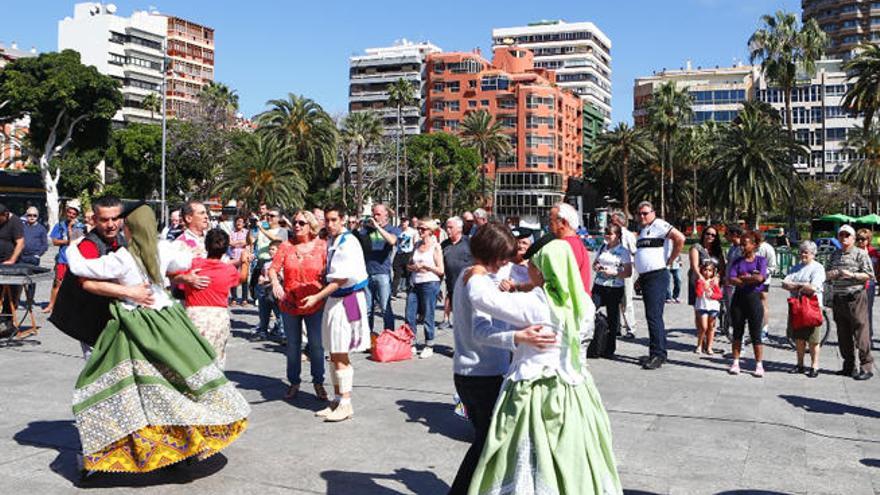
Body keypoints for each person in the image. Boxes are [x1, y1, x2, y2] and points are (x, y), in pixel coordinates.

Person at [64, 203, 250, 473]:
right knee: (174, 382)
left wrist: (73, 244)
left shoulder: (124, 258)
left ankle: (119, 451)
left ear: (128, 228)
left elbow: (82, 268)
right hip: (168, 322)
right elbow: (185, 259)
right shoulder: (163, 249)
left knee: (128, 387)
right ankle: (181, 443)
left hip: (135, 326)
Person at [466, 239, 621, 495]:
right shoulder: (584, 301)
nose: (529, 268)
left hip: (536, 391)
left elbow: (482, 299)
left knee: (527, 456)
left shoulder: (537, 303)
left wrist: (477, 272)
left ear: (544, 270)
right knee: (576, 452)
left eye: (534, 265)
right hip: (577, 390)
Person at [447, 223, 553, 494]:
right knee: (487, 443)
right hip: (480, 373)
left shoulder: (470, 276)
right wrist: (519, 337)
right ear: (493, 254)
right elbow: (482, 331)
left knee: (488, 441)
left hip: (474, 371)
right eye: (504, 256)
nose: (507, 261)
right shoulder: (477, 283)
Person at [300, 206, 370, 423]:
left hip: (347, 300)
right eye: (327, 220)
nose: (329, 224)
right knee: (333, 353)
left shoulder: (348, 243)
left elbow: (340, 280)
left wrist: (316, 297)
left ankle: (346, 403)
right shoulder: (333, 241)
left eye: (333, 220)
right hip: (335, 300)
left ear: (343, 220)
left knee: (341, 353)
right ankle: (338, 399)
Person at [269, 210, 328, 401]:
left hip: (316, 303)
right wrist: (276, 283)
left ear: (311, 225)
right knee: (293, 345)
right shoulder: (286, 246)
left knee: (317, 345)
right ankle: (294, 382)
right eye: (295, 222)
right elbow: (273, 269)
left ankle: (318, 382)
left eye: (301, 223)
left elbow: (332, 273)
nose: (296, 225)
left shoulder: (322, 247)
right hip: (290, 304)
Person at [183, 228, 250, 368]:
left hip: (194, 315)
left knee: (192, 359)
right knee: (215, 359)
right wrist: (245, 262)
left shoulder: (192, 265)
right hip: (218, 317)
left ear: (206, 246)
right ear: (225, 249)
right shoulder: (228, 270)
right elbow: (242, 278)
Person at [634, 201, 685, 370]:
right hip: (646, 276)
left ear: (653, 213)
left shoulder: (659, 225)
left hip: (657, 275)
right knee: (652, 316)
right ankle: (658, 351)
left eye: (645, 213)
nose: (642, 216)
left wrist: (671, 259)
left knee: (654, 316)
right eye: (640, 213)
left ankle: (658, 354)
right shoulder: (642, 231)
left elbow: (680, 238)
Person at [828, 224, 875, 380]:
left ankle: (866, 367)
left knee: (861, 333)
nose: (844, 238)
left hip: (855, 297)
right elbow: (826, 273)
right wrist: (832, 274)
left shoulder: (860, 254)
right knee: (843, 334)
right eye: (841, 235)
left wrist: (852, 275)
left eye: (847, 235)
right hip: (838, 298)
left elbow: (869, 275)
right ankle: (849, 366)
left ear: (853, 238)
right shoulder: (834, 254)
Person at [782, 240, 826, 378]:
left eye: (806, 252)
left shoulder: (818, 268)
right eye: (801, 252)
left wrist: (795, 285)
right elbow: (784, 283)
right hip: (797, 305)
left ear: (813, 254)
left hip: (812, 306)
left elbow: (813, 287)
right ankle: (800, 364)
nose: (803, 254)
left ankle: (814, 366)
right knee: (799, 337)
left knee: (813, 339)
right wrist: (802, 285)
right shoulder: (796, 267)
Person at [727, 231, 768, 377]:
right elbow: (731, 279)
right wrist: (750, 278)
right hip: (738, 299)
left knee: (756, 333)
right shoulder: (737, 261)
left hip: (754, 299)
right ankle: (736, 362)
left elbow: (760, 278)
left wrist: (743, 278)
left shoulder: (761, 260)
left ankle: (758, 365)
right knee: (737, 332)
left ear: (754, 245)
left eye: (745, 244)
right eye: (741, 244)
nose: (742, 247)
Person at [590, 224, 633, 358]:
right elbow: (594, 263)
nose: (607, 236)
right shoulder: (603, 247)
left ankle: (610, 348)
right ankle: (592, 343)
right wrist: (597, 266)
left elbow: (628, 272)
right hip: (599, 284)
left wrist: (613, 273)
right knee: (590, 311)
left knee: (613, 318)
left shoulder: (623, 251)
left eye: (610, 234)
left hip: (614, 287)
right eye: (606, 233)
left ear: (618, 236)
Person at [359, 203, 400, 338]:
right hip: (366, 273)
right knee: (367, 310)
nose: (375, 217)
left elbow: (393, 241)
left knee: (385, 308)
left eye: (378, 214)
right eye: (373, 214)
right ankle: (367, 337)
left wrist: (377, 227)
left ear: (386, 215)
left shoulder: (392, 229)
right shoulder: (367, 229)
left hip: (382, 273)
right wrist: (359, 227)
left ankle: (389, 336)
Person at [405, 219, 444, 358]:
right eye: (419, 229)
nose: (420, 231)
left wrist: (426, 267)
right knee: (410, 314)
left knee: (428, 314)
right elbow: (408, 265)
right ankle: (411, 342)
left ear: (430, 231)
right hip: (415, 282)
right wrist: (413, 267)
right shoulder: (416, 245)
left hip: (430, 283)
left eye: (423, 229)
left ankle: (429, 344)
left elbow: (440, 270)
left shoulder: (435, 246)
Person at [45, 199, 85, 313]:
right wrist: (67, 242)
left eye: (74, 213)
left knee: (75, 284)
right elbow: (54, 241)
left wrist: (69, 230)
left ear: (77, 215)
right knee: (57, 282)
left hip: (75, 260)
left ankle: (71, 307)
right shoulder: (60, 224)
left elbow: (76, 240)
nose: (71, 215)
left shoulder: (80, 226)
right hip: (62, 259)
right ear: (66, 212)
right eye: (69, 212)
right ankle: (51, 305)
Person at [549, 202, 592, 295]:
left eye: (551, 222)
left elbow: (559, 280)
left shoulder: (567, 246)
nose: (549, 226)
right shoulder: (574, 243)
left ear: (563, 223)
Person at [689, 227, 725, 337]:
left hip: (713, 285)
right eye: (708, 233)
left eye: (713, 235)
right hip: (698, 282)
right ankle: (701, 337)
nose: (710, 236)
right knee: (700, 311)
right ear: (703, 234)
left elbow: (722, 267)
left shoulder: (718, 250)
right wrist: (702, 280)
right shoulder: (696, 248)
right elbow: (694, 266)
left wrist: (717, 277)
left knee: (712, 311)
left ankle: (709, 339)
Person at [441, 216, 472, 328]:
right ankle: (446, 319)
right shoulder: (444, 244)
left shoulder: (469, 242)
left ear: (459, 229)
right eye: (446, 227)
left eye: (450, 227)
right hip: (450, 279)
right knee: (449, 297)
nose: (447, 230)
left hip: (466, 282)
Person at [611, 210, 638, 339]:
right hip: (613, 270)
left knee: (626, 300)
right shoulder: (612, 235)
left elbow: (634, 252)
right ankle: (616, 326)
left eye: (613, 220)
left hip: (626, 269)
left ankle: (630, 328)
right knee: (615, 299)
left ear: (619, 222)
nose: (610, 223)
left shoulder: (628, 235)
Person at [0, 204, 25, 335]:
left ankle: (7, 323)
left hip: (11, 264)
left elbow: (20, 242)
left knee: (10, 295)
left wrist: (12, 260)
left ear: (5, 215)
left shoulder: (15, 222)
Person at [253, 240, 283, 340]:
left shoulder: (282, 264)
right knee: (264, 313)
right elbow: (262, 274)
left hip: (275, 291)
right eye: (269, 249)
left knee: (279, 313)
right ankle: (263, 331)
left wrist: (269, 281)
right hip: (264, 291)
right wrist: (261, 277)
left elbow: (281, 277)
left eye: (273, 249)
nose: (270, 251)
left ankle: (282, 333)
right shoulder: (266, 263)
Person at [19, 206, 48, 305]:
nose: (32, 217)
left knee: (32, 280)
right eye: (29, 215)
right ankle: (15, 299)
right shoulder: (22, 227)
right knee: (19, 280)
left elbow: (45, 245)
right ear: (26, 216)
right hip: (22, 257)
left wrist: (38, 254)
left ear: (37, 216)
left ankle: (30, 301)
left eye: (34, 215)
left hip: (33, 258)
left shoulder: (42, 229)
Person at [694, 259, 722, 355]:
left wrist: (712, 294)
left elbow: (719, 295)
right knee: (703, 327)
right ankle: (700, 345)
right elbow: (698, 293)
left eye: (710, 270)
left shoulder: (714, 282)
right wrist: (703, 285)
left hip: (713, 307)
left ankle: (709, 347)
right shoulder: (700, 281)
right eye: (705, 270)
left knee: (711, 327)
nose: (707, 272)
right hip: (702, 306)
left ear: (713, 272)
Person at [856, 228, 878, 344]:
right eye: (858, 239)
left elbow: (877, 269)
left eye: (863, 239)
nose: (860, 241)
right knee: (856, 311)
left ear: (868, 240)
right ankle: (857, 335)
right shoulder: (853, 251)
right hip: (855, 285)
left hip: (869, 285)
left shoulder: (873, 252)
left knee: (867, 311)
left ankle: (868, 336)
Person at [756, 231, 777, 341]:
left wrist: (762, 273)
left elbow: (772, 266)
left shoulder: (768, 249)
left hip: (763, 281)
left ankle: (764, 329)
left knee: (763, 302)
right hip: (750, 280)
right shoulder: (750, 246)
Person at [393, 216, 417, 298]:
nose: (403, 223)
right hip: (399, 253)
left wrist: (413, 254)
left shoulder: (412, 232)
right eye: (402, 221)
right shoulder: (398, 230)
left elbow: (415, 243)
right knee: (397, 274)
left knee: (408, 274)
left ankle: (409, 292)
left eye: (405, 221)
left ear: (408, 222)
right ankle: (393, 292)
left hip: (408, 253)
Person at [229, 216, 251, 306]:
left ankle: (244, 299)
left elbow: (248, 242)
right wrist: (241, 243)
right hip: (233, 257)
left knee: (244, 278)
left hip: (244, 257)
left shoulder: (247, 232)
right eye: (237, 221)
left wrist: (236, 243)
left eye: (241, 221)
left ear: (244, 223)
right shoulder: (232, 232)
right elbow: (230, 243)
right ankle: (234, 298)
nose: (238, 223)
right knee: (233, 278)